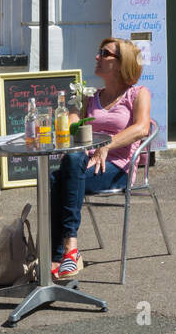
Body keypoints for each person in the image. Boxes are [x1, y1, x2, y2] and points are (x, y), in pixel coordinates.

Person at [50, 38, 152, 279]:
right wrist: (73, 113)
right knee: (64, 168)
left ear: (119, 63)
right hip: (84, 164)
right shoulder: (90, 96)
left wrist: (106, 146)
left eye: (104, 54)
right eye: (99, 52)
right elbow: (72, 125)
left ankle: (59, 253)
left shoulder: (138, 94)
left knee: (57, 179)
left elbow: (142, 128)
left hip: (118, 167)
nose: (97, 57)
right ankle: (66, 251)